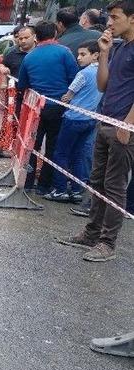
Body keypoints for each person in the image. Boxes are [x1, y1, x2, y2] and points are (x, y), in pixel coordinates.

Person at [58, 0, 134, 262]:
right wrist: (103, 53)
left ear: (132, 19)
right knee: (98, 181)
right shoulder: (119, 48)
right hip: (104, 121)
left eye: (115, 17)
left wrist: (128, 125)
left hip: (123, 128)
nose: (110, 23)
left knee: (114, 186)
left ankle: (107, 242)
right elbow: (103, 85)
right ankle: (91, 233)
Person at [17, 20, 79, 195]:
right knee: (53, 147)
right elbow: (74, 79)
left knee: (32, 145)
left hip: (35, 107)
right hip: (58, 107)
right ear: (55, 34)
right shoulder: (64, 53)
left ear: (36, 36)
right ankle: (44, 186)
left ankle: (27, 183)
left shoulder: (29, 56)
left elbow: (22, 84)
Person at [44, 41, 102, 203]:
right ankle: (77, 190)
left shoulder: (83, 74)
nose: (78, 58)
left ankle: (60, 189)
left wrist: (66, 98)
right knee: (79, 154)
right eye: (78, 54)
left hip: (73, 119)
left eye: (83, 54)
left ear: (95, 55)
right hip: (91, 119)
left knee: (61, 153)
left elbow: (68, 96)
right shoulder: (103, 73)